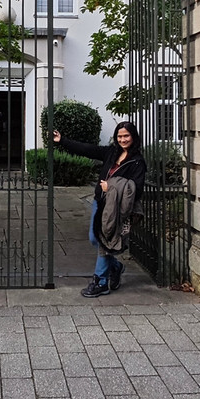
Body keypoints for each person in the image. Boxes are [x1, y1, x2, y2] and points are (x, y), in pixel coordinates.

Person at [53, 121, 145, 297]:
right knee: (95, 238)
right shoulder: (111, 153)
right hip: (100, 202)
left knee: (104, 242)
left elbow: (137, 189)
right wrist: (62, 140)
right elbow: (87, 149)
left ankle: (101, 282)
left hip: (117, 209)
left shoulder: (137, 162)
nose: (123, 139)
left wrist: (110, 188)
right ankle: (116, 267)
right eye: (120, 136)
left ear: (133, 137)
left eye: (126, 136)